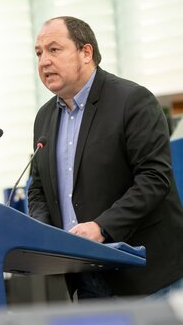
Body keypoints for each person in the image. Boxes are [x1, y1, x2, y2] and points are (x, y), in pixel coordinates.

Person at [28, 16, 183, 300]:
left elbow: (154, 179)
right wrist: (43, 236)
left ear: (86, 53)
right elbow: (38, 188)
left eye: (54, 49)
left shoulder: (132, 101)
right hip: (84, 278)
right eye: (39, 53)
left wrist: (102, 227)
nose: (44, 61)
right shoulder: (44, 118)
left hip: (148, 276)